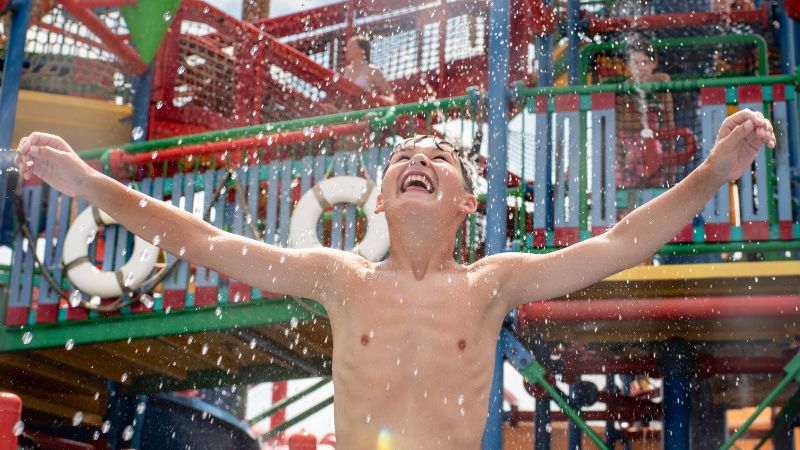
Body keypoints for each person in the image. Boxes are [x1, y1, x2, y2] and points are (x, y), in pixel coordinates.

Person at [15, 109, 774, 449]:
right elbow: (201, 236)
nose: (420, 156)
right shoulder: (340, 276)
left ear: (465, 205)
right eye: (405, 153)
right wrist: (89, 184)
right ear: (378, 198)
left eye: (440, 156)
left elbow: (618, 242)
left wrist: (712, 174)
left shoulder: (492, 282)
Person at [616, 39, 677, 190]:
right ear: (628, 66)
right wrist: (629, 150)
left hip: (654, 139)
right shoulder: (626, 88)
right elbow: (623, 127)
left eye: (644, 62)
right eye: (635, 63)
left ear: (653, 63)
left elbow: (669, 119)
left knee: (657, 158)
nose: (640, 68)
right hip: (632, 139)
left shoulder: (662, 81)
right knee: (633, 164)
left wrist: (672, 148)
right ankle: (629, 202)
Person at [321, 35, 396, 112]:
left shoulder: (372, 70)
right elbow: (342, 99)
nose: (346, 49)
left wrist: (385, 100)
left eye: (351, 46)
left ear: (361, 50)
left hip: (364, 114)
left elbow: (391, 96)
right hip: (346, 114)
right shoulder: (346, 70)